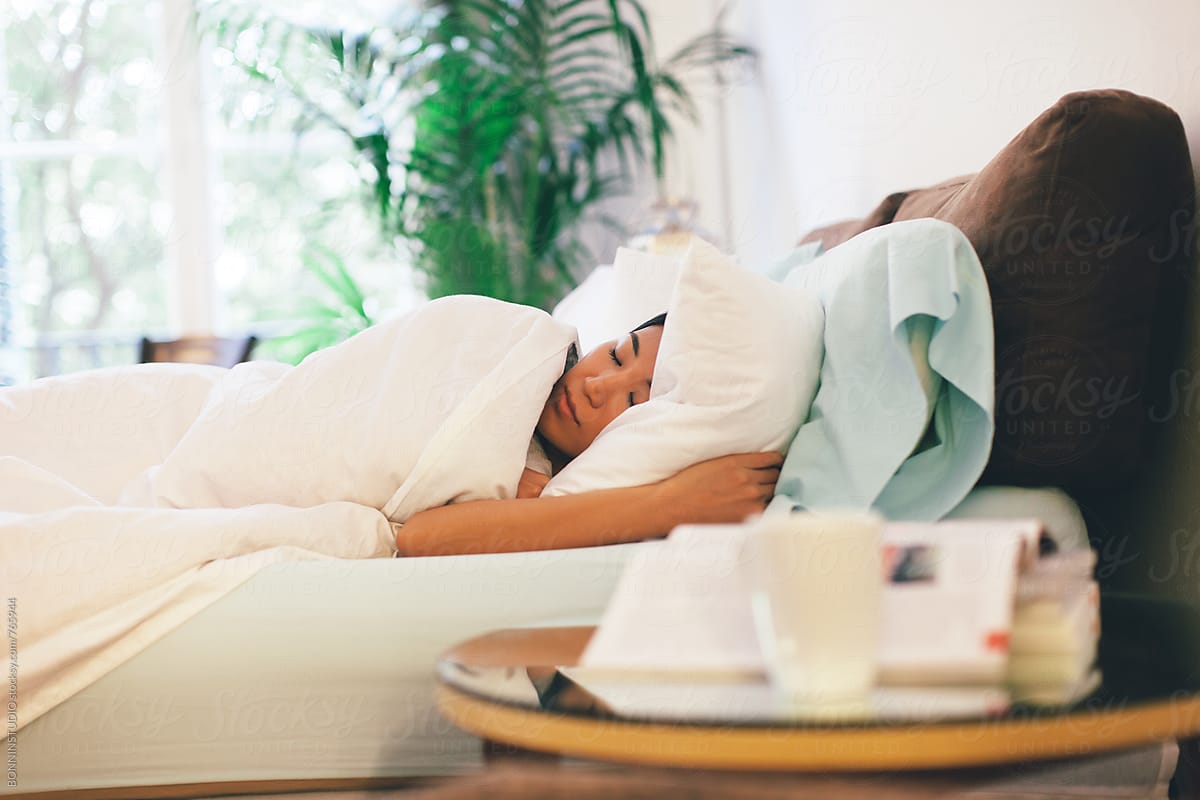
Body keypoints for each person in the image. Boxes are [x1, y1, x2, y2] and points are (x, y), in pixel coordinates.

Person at [395, 313, 783, 556]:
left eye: (633, 399)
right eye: (616, 355)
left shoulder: (556, 485)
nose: (596, 385)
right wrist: (671, 504)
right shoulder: (527, 359)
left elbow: (425, 537)